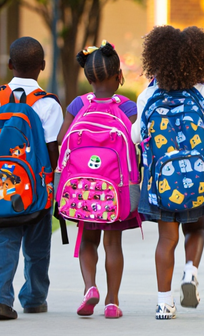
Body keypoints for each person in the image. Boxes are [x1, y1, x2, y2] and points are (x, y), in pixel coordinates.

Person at [131, 26, 204, 320]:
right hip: (197, 179)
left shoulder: (148, 94)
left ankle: (164, 303)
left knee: (166, 240)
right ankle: (190, 272)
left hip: (160, 184)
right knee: (196, 229)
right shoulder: (202, 92)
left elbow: (137, 136)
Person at [57, 42, 139, 318]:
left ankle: (90, 287)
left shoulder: (78, 104)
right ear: (119, 77)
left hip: (82, 189)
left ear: (88, 78)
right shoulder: (128, 108)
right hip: (114, 191)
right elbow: (137, 144)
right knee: (112, 245)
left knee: (88, 243)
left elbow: (61, 140)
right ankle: (112, 301)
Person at [0, 37, 62, 320]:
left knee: (6, 240)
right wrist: (52, 183)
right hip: (37, 186)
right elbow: (51, 147)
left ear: (10, 65)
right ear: (43, 66)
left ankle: (2, 299)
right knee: (37, 246)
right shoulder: (48, 104)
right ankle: (35, 299)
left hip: (3, 185)